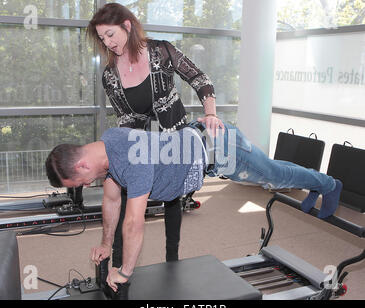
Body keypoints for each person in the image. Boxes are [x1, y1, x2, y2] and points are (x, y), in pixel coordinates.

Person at [45, 121, 343, 292]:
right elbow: (111, 199)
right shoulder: (107, 144)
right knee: (274, 171)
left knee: (275, 176)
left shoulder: (130, 159)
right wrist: (106, 244)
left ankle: (328, 185)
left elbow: (134, 222)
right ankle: (317, 183)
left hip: (224, 148)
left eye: (79, 181)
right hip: (205, 148)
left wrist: (124, 272)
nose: (85, 186)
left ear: (83, 163)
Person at [86, 3, 224, 267]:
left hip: (174, 134)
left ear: (127, 25)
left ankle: (172, 258)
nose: (107, 43)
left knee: (172, 197)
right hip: (139, 141)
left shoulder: (161, 51)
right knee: (123, 195)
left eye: (110, 34)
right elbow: (124, 117)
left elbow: (200, 78)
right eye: (102, 39)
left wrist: (211, 114)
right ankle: (116, 260)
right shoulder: (110, 75)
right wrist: (120, 161)